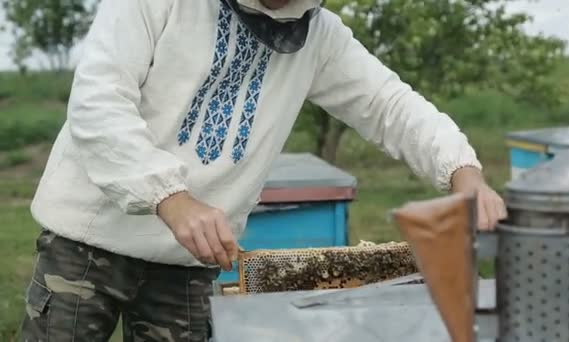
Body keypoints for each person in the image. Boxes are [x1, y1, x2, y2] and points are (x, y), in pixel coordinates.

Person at [20, 0, 507, 340]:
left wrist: (461, 170)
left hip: (190, 261)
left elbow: (390, 105)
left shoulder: (321, 36)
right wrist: (171, 198)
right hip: (88, 243)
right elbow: (98, 102)